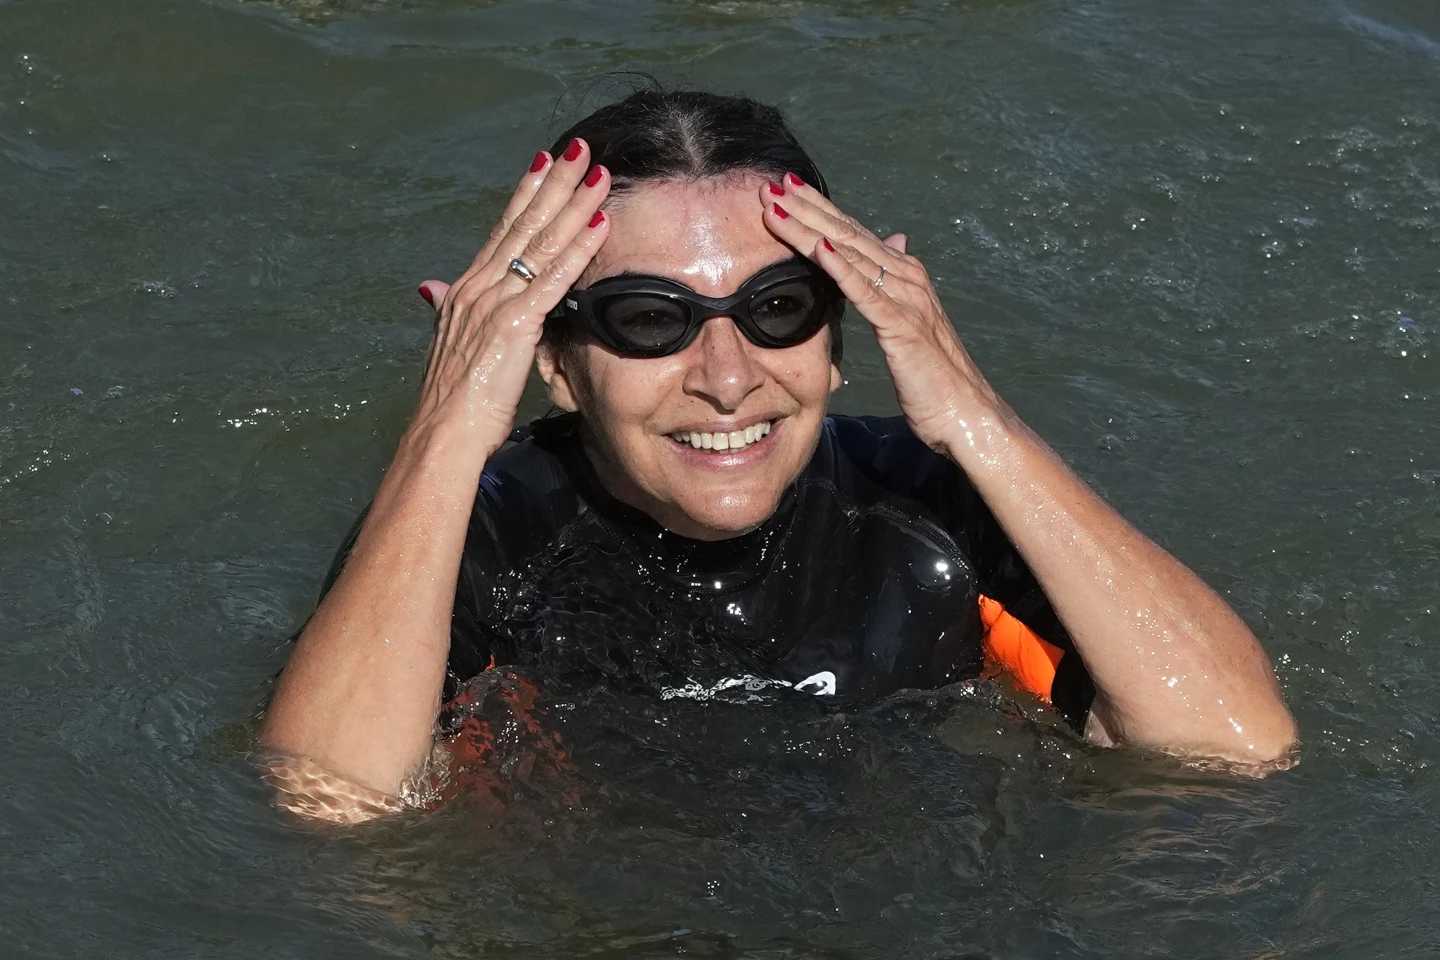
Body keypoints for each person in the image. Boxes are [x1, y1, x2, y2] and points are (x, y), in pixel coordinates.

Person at [259, 90, 1296, 820]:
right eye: (649, 319)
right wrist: (444, 436)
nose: (728, 372)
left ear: (841, 343)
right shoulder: (480, 522)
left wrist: (973, 416)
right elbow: (329, 803)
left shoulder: (926, 504)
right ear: (558, 366)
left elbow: (1238, 749)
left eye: (778, 308)